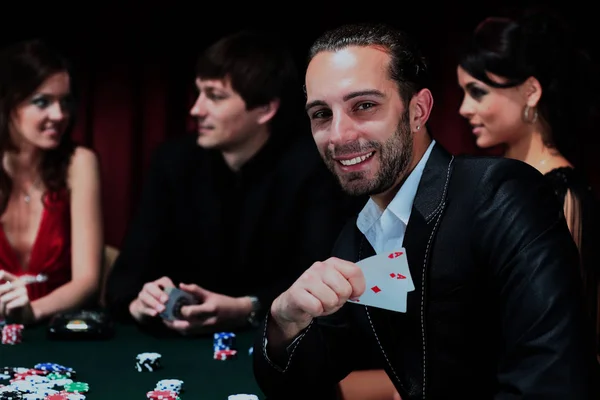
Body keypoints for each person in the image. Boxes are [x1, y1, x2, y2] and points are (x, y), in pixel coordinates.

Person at [253, 22, 598, 399]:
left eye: (364, 106)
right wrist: (281, 321)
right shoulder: (355, 239)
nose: (338, 135)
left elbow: (552, 381)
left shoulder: (500, 192)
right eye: (321, 114)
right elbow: (301, 383)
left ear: (418, 111)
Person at [104, 31, 362, 336]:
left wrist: (247, 307)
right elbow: (125, 279)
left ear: (265, 109)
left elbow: (322, 279)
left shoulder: (314, 169)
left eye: (215, 96)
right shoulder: (172, 163)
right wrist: (141, 302)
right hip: (176, 341)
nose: (196, 109)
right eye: (199, 93)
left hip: (274, 342)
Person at [456, 7, 600, 353]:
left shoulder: (563, 194)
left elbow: (573, 335)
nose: (463, 108)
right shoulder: (492, 180)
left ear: (530, 91)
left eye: (477, 92)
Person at [0, 39, 104, 325]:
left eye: (65, 102)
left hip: (57, 329)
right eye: (41, 102)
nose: (59, 116)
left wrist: (31, 312)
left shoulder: (79, 163)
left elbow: (87, 281)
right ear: (8, 103)